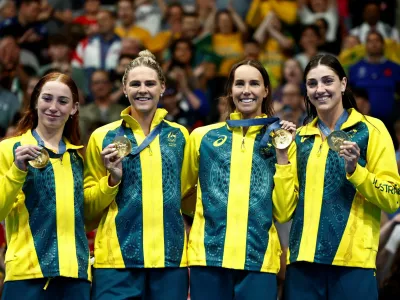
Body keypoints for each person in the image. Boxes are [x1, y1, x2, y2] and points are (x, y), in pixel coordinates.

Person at [279, 54, 400, 299]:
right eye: (312, 83)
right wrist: (282, 157)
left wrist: (356, 171)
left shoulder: (371, 130)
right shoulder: (299, 138)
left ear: (343, 84)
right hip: (303, 262)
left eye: (327, 81)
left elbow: (392, 198)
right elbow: (283, 210)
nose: (320, 89)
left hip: (353, 262)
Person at [181, 59, 296, 300]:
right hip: (208, 258)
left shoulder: (281, 141)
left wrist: (282, 154)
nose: (246, 90)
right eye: (239, 83)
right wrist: (210, 210)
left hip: (259, 260)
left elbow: (284, 211)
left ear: (265, 91)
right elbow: (184, 194)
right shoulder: (202, 137)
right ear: (230, 91)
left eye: (254, 83)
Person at [84, 50, 189, 300]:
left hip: (170, 259)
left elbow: (189, 195)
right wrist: (112, 181)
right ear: (124, 88)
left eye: (150, 83)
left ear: (162, 87)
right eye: (135, 84)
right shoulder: (102, 137)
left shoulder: (181, 136)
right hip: (116, 263)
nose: (143, 90)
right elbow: (87, 209)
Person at [0, 72, 90, 299]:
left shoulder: (79, 157)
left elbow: (87, 214)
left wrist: (112, 181)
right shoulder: (9, 149)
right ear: (35, 101)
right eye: (47, 98)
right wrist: (18, 170)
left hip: (75, 276)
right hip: (25, 275)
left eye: (63, 101)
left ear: (74, 108)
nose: (53, 107)